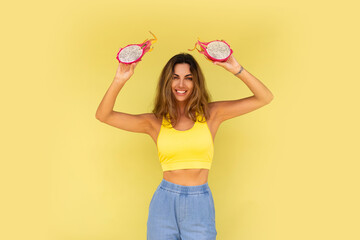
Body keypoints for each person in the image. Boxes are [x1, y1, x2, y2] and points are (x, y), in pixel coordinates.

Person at [95, 52, 273, 240]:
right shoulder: (154, 122)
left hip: (199, 203)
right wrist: (119, 79)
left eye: (188, 78)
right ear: (167, 83)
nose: (181, 85)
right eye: (175, 78)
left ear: (196, 83)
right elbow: (103, 115)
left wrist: (236, 68)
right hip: (164, 203)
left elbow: (265, 97)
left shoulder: (213, 114)